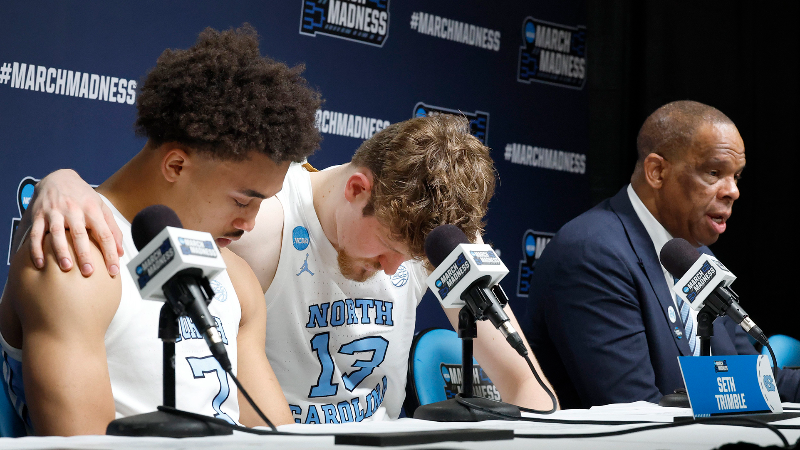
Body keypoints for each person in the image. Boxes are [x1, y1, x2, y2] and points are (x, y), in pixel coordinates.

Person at [24, 115, 557, 424]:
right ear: (357, 189)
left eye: (414, 258)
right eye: (388, 247)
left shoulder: (432, 240)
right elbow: (139, 209)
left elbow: (527, 385)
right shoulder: (263, 221)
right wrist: (59, 181)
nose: (396, 268)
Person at [0, 25, 322, 435]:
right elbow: (82, 446)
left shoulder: (236, 277)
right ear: (176, 166)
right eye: (243, 201)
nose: (250, 225)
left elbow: (276, 435)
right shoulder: (76, 256)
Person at [523, 100, 800, 409]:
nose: (732, 191)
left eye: (736, 176)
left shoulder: (694, 256)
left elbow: (756, 380)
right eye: (713, 172)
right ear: (656, 171)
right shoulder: (592, 254)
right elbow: (637, 410)